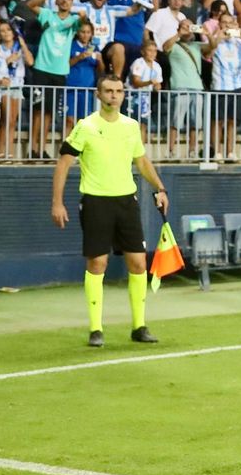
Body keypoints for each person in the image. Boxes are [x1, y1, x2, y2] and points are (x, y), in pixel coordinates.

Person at [50, 75, 167, 347]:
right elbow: (63, 164)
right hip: (95, 201)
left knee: (138, 263)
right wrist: (57, 202)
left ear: (123, 95)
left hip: (127, 201)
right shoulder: (85, 126)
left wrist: (161, 188)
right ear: (99, 94)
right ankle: (96, 329)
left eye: (118, 91)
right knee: (97, 263)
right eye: (109, 91)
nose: (114, 95)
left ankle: (139, 326)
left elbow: (141, 160)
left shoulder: (131, 126)